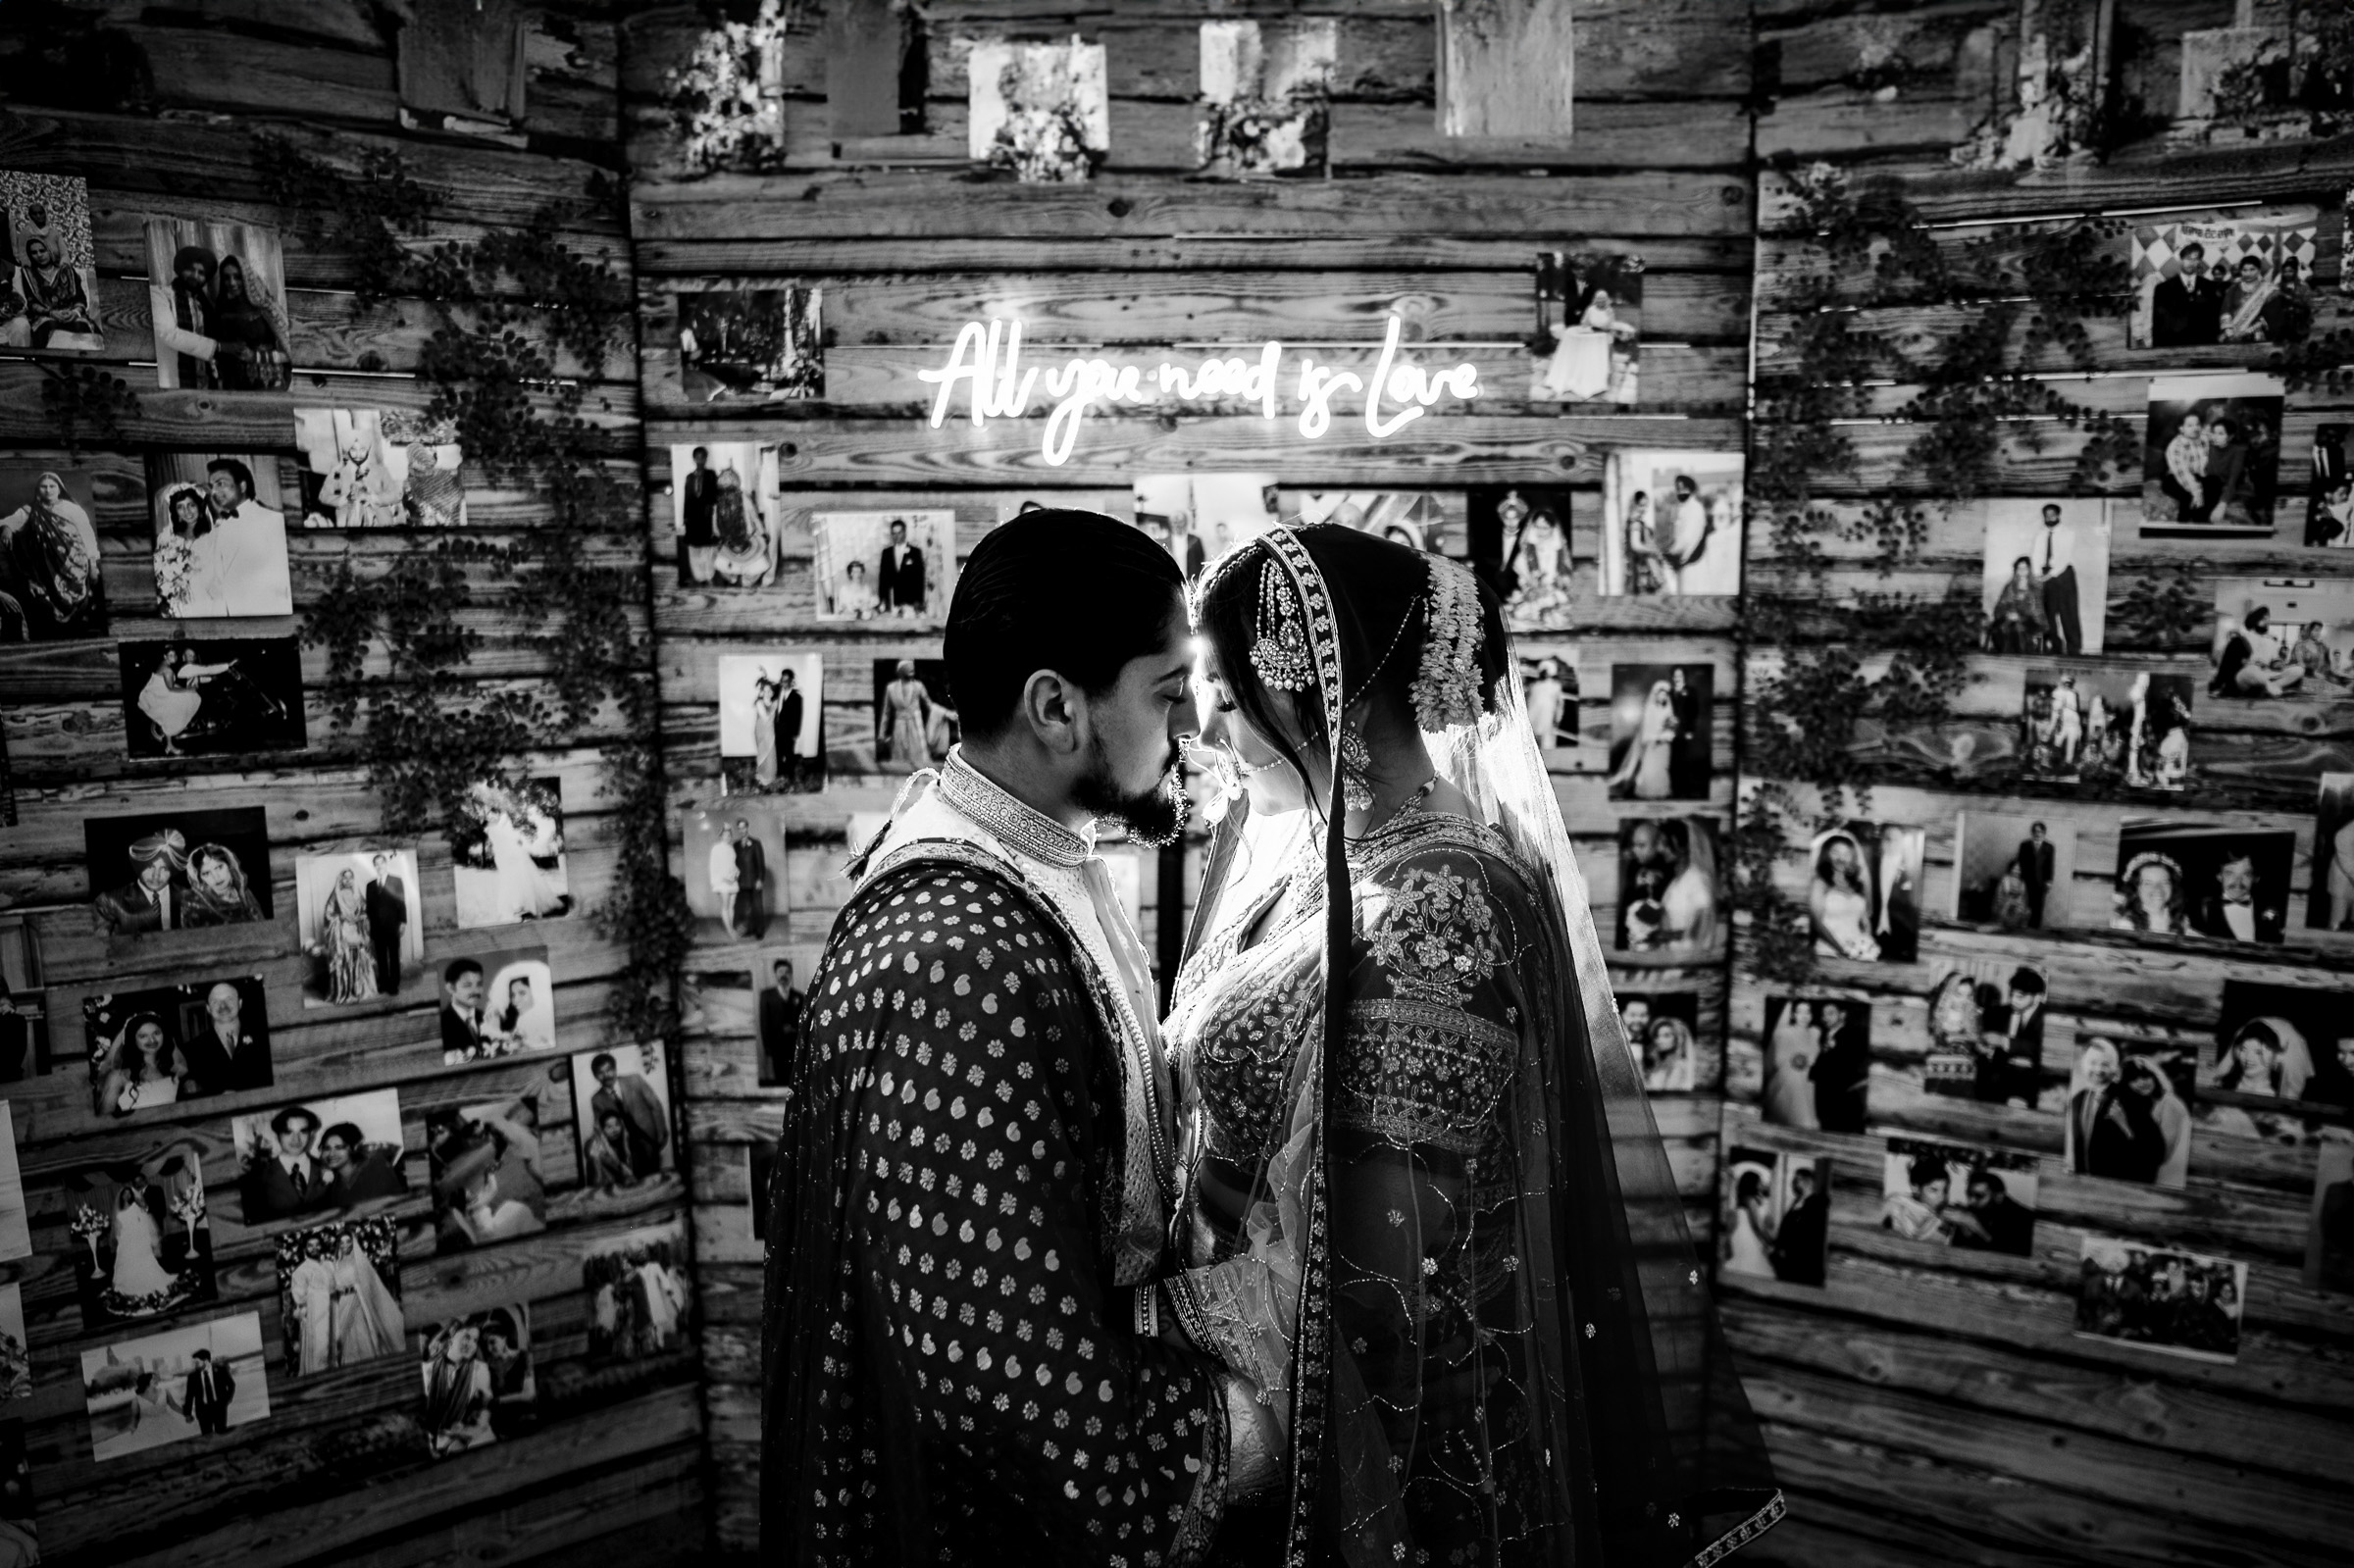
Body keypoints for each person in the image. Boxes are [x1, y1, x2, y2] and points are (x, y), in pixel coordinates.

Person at [1168, 523, 1782, 1559]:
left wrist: (1159, 1327)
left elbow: (1388, 1256)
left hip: (1376, 1422)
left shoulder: (1445, 898)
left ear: (1318, 688)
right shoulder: (1310, 852)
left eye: (1228, 694)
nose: (1209, 727)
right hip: (1257, 1370)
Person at [765, 513, 1312, 1557]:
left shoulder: (1033, 861)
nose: (1188, 735)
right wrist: (1272, 1428)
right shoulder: (951, 964)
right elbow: (1008, 1384)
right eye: (1164, 695)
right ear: (1058, 707)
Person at [0, 467, 103, 638]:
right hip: (48, 569)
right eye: (44, 486)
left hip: (77, 565)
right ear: (38, 490)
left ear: (59, 489)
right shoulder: (31, 510)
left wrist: (93, 564)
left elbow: (87, 535)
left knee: (82, 608)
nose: (48, 490)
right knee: (47, 608)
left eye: (52, 486)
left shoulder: (72, 509)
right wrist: (7, 528)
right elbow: (9, 520)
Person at [191, 458, 292, 617]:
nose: (215, 492)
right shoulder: (219, 529)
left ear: (243, 486)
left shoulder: (275, 521)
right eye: (212, 487)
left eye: (221, 484)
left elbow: (287, 583)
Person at [242, 1105, 340, 1221]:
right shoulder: (255, 1178)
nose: (296, 1139)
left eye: (302, 1132)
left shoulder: (332, 1170)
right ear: (277, 1136)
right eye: (288, 1132)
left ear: (311, 1134)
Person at [209, 253, 289, 390]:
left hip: (266, 381)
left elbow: (291, 352)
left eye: (237, 277)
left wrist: (256, 357)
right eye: (227, 278)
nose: (232, 283)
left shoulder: (265, 305)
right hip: (232, 382)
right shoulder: (221, 307)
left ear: (247, 277)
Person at [588, 1051, 668, 1180]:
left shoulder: (634, 1080)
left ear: (615, 1068)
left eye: (609, 1070)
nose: (606, 1075)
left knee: (655, 1173)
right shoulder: (596, 1099)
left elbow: (655, 1105)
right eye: (600, 1073)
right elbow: (600, 1126)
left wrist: (661, 1133)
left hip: (648, 1135)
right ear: (595, 1076)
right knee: (637, 1178)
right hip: (626, 1145)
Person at [155, 243, 222, 389]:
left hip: (206, 383)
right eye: (190, 269)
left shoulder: (205, 305)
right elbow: (168, 334)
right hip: (175, 381)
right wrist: (218, 347)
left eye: (201, 273)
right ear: (180, 269)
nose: (195, 276)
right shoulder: (160, 294)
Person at [421, 1322, 495, 1454]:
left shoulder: (479, 1369)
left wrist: (466, 1432)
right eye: (466, 1337)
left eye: (475, 1340)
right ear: (451, 1339)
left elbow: (486, 1407)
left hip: (470, 1437)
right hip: (437, 1440)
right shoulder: (428, 1370)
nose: (471, 1344)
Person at [96, 829, 187, 935]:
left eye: (164, 869)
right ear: (139, 866)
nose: (156, 875)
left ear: (172, 871)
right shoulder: (109, 901)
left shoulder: (188, 896)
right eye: (150, 867)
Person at [13, 235, 97, 348]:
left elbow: (80, 298)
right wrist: (51, 313)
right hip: (45, 316)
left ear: (50, 250)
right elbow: (31, 302)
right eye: (34, 252)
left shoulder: (68, 271)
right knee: (50, 325)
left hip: (71, 314)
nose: (39, 255)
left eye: (42, 250)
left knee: (80, 326)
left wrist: (75, 312)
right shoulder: (28, 275)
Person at [1811, 831, 1880, 959]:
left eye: (1846, 854)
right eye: (1835, 852)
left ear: (1853, 857)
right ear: (1826, 854)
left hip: (1855, 953)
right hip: (1828, 951)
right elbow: (1817, 924)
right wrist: (1842, 950)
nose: (1841, 859)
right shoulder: (1820, 883)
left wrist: (1865, 945)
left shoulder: (1857, 885)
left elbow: (1865, 921)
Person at [2212, 604, 2305, 697]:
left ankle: (2271, 686)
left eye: (2268, 619)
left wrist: (2278, 663)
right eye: (2263, 619)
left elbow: (2275, 659)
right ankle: (2268, 686)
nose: (2267, 621)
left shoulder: (2271, 640)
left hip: (2266, 673)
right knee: (2251, 671)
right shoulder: (2240, 640)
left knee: (2298, 670)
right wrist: (2218, 685)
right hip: (2246, 675)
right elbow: (2227, 665)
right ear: (2254, 620)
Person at [98, 1013, 180, 1117]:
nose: (152, 1040)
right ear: (133, 1039)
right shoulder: (118, 1077)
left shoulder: (175, 1069)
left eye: (156, 1033)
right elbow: (104, 1120)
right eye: (143, 1036)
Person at [1610, 678, 1679, 798]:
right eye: (1661, 695)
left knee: (1662, 771)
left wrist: (1669, 735)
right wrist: (1659, 737)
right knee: (1650, 771)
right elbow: (1646, 735)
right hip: (1652, 746)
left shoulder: (1669, 711)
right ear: (1656, 695)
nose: (1663, 698)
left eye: (1665, 695)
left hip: (1664, 748)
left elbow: (1672, 729)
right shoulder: (1650, 710)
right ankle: (1648, 796)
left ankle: (1661, 795)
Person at [2192, 849, 2280, 943]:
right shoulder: (2203, 909)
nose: (2237, 882)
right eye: (2229, 873)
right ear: (2219, 876)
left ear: (2256, 877)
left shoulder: (2270, 910)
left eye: (2246, 874)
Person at [876, 659, 947, 771]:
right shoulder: (891, 688)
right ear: (901, 670)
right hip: (899, 727)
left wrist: (946, 713)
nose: (911, 669)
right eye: (908, 667)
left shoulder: (918, 686)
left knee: (919, 758)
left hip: (915, 726)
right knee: (899, 760)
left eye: (912, 667)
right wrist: (881, 734)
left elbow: (929, 705)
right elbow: (886, 712)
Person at [321, 867, 378, 1004]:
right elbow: (328, 914)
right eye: (344, 877)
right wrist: (340, 917)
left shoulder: (357, 894)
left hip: (356, 929)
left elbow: (366, 910)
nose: (347, 880)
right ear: (340, 879)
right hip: (342, 930)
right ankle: (345, 990)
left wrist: (360, 918)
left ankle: (358, 989)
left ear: (353, 878)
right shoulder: (336, 894)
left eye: (350, 877)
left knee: (358, 956)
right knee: (345, 957)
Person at [2150, 242, 2224, 347]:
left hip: (2203, 348)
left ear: (2200, 261)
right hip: (2173, 347)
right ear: (2180, 260)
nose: (2191, 263)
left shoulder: (2210, 287)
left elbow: (2215, 321)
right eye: (2188, 258)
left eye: (2195, 259)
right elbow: (2157, 324)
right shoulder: (2163, 289)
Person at [319, 1120, 408, 1202]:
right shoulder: (334, 1182)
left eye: (339, 1147)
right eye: (327, 1148)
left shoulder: (375, 1167)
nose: (331, 1154)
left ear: (354, 1148)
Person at [1766, 1000, 1822, 1128]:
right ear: (1793, 1015)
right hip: (1789, 1082)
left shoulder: (1815, 1033)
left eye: (1807, 1012)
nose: (1804, 1016)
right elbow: (1777, 1060)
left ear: (1812, 1015)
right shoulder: (1784, 1033)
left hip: (1808, 1084)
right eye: (1799, 1012)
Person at [1771, 1164, 1829, 1286]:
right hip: (1786, 1261)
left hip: (1801, 1263)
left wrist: (1787, 1249)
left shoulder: (1816, 1204)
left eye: (1797, 1180)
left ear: (1807, 1181)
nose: (1794, 1183)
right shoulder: (1796, 1201)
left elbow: (1809, 1234)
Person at [710, 466, 770, 584]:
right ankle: (746, 581)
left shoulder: (716, 500)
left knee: (724, 563)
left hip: (729, 540)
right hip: (747, 538)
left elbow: (714, 521)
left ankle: (734, 578)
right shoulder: (743, 497)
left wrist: (717, 535)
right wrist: (762, 532)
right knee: (757, 563)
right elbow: (754, 517)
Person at [182, 841, 265, 927]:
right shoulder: (195, 907)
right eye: (206, 873)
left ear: (229, 866)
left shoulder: (244, 894)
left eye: (219, 867)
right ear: (199, 879)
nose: (216, 877)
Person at [1986, 554, 2049, 653]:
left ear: (2029, 569)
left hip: (2031, 621)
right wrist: (2007, 614)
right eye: (2019, 568)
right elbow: (1999, 606)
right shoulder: (2010, 587)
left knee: (2017, 628)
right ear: (2016, 570)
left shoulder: (2035, 588)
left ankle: (2022, 656)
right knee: (2002, 628)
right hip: (2010, 619)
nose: (2022, 571)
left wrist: (2020, 616)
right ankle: (2006, 657)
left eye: (2024, 568)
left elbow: (2037, 611)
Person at [1881, 1155, 1952, 1242]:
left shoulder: (1940, 1220)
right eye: (1934, 1190)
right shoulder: (1895, 1205)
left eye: (1945, 1191)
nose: (1942, 1197)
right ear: (1916, 1187)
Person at [366, 854, 408, 994]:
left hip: (393, 925)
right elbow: (369, 908)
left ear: (386, 864)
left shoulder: (396, 881)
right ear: (374, 866)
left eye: (381, 863)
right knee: (381, 957)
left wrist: (403, 922)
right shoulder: (370, 885)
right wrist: (369, 925)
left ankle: (394, 984)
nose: (379, 866)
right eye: (376, 864)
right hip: (377, 927)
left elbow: (401, 903)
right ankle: (383, 983)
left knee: (394, 957)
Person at [757, 957, 802, 1087]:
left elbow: (803, 1023)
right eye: (780, 971)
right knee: (779, 1078)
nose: (784, 975)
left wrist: (794, 1029)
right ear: (775, 974)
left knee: (794, 1078)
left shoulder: (798, 996)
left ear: (791, 975)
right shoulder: (766, 995)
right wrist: (768, 1048)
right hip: (777, 1047)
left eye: (787, 972)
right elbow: (764, 1023)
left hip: (794, 1047)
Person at [486, 974, 553, 1055]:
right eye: (513, 995)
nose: (516, 1000)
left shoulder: (544, 1018)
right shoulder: (522, 1021)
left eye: (522, 993)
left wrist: (495, 1033)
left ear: (535, 992)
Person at [1725, 1168, 1775, 1275]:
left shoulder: (1743, 1199)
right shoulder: (1751, 1200)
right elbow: (1757, 1226)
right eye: (1760, 1182)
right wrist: (1771, 1241)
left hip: (1741, 1235)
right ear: (1753, 1183)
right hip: (1749, 1238)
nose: (1762, 1184)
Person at [678, 446, 717, 584]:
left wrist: (710, 505)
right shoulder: (689, 477)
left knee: (707, 549)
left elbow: (714, 494)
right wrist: (685, 518)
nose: (700, 460)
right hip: (692, 518)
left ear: (706, 458)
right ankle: (699, 578)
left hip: (705, 518)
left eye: (703, 457)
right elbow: (687, 499)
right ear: (694, 459)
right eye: (698, 457)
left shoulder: (711, 474)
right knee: (694, 550)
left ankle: (709, 576)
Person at [2218, 254, 2277, 343]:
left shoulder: (2269, 290)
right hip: (2232, 336)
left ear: (2259, 270)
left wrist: (2249, 330)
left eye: (2252, 269)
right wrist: (2229, 332)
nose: (2248, 273)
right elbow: (2225, 310)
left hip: (2257, 336)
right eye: (2244, 270)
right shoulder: (2234, 288)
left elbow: (2271, 316)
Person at [438, 959, 486, 1060]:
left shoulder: (487, 1018)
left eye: (479, 984)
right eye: (467, 985)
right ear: (451, 988)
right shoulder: (442, 1023)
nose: (476, 991)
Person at [184, 1347, 236, 1437]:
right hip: (203, 1411)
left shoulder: (221, 1370)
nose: (195, 1365)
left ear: (205, 1361)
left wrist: (227, 1400)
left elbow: (231, 1385)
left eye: (197, 1362)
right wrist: (188, 1414)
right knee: (207, 1437)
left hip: (219, 1408)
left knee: (221, 1434)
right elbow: (189, 1396)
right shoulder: (192, 1377)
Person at [876, 517, 925, 612]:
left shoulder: (915, 552)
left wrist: (918, 601)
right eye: (894, 533)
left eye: (899, 533)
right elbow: (882, 579)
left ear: (905, 533)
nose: (896, 536)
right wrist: (882, 600)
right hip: (892, 600)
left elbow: (919, 578)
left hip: (910, 600)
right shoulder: (886, 553)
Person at [731, 816, 767, 939]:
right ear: (738, 829)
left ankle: (759, 930)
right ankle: (749, 929)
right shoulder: (735, 845)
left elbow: (761, 863)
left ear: (747, 828)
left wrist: (760, 879)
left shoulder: (756, 843)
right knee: (745, 908)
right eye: (739, 828)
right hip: (741, 882)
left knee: (757, 907)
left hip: (754, 881)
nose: (742, 830)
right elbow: (733, 864)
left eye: (743, 827)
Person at [2017, 821, 2054, 929]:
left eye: (2041, 831)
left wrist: (2049, 881)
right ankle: (2024, 926)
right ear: (2032, 832)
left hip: (2041, 880)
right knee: (2026, 903)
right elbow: (2021, 862)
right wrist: (2020, 879)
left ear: (2044, 833)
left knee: (2039, 905)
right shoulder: (2025, 845)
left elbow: (2050, 865)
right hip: (2027, 879)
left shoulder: (2049, 847)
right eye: (2036, 831)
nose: (2038, 834)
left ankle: (2036, 928)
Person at [774, 667, 804, 788]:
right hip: (776, 730)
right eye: (782, 680)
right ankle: (780, 774)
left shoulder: (797, 697)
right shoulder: (777, 692)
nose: (784, 683)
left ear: (791, 681)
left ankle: (790, 776)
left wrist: (795, 734)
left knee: (789, 754)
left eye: (786, 681)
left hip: (789, 732)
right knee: (778, 753)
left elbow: (798, 716)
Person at [750, 674, 780, 786]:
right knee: (763, 752)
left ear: (772, 692)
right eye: (765, 690)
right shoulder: (759, 703)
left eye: (770, 690)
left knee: (771, 752)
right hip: (761, 730)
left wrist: (774, 705)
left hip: (770, 731)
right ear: (762, 692)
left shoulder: (773, 702)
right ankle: (762, 775)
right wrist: (774, 707)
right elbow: (766, 718)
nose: (768, 693)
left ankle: (770, 776)